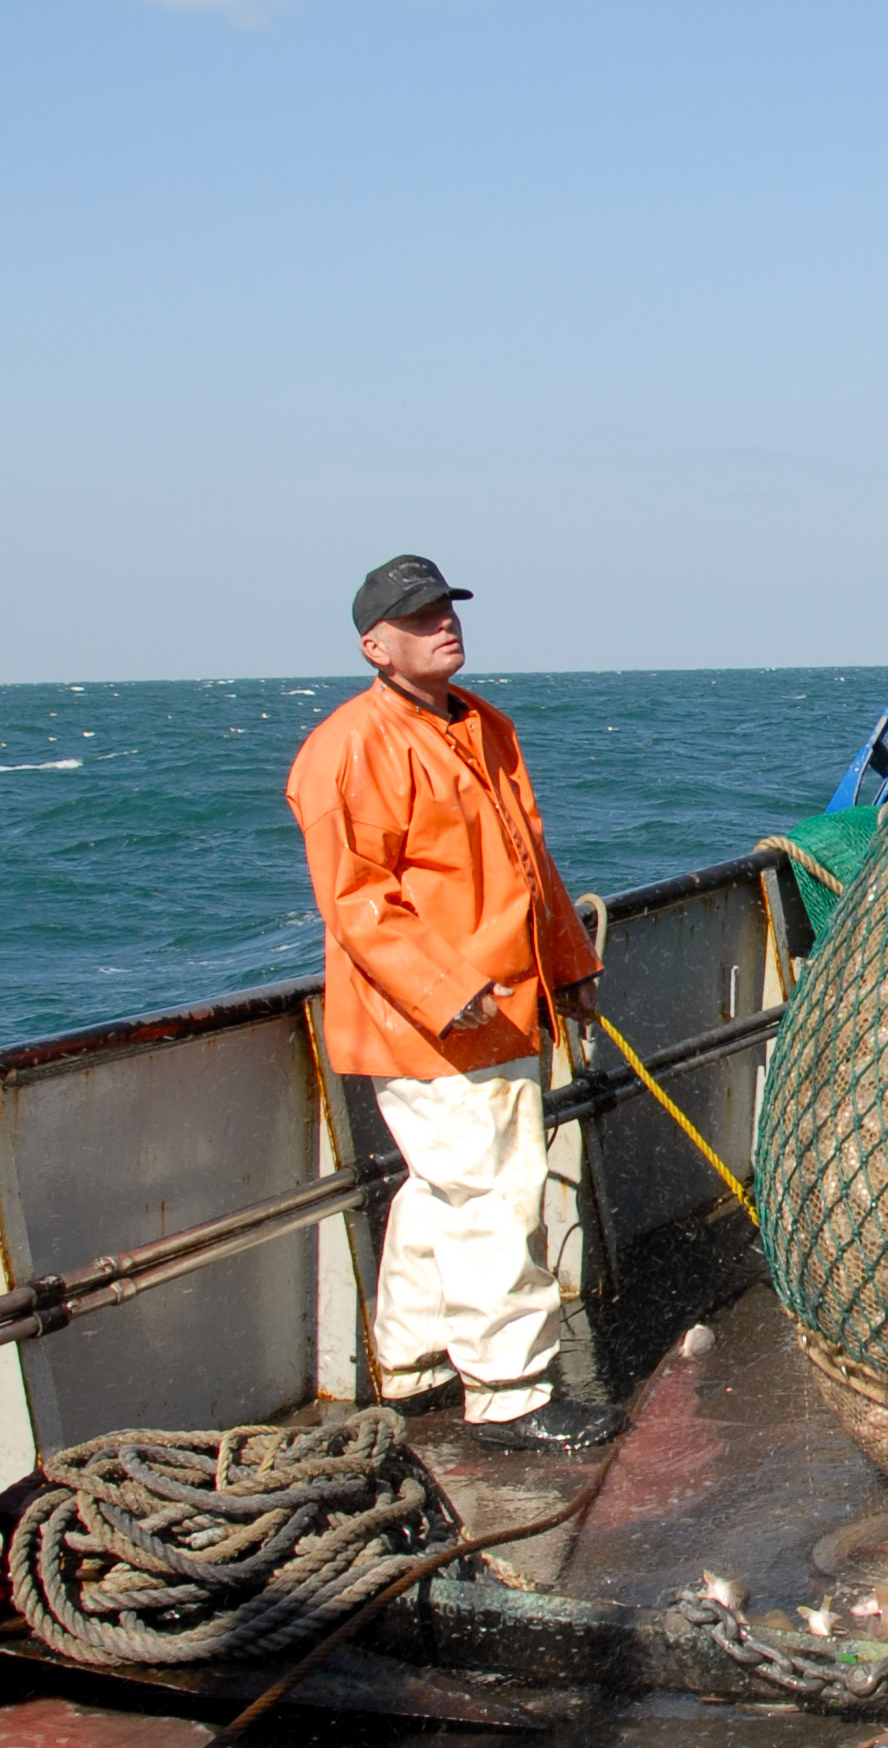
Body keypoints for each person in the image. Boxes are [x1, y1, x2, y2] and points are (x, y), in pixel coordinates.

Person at [287, 554, 620, 1451]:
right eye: (419, 614)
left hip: (506, 1005)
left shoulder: (483, 728)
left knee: (445, 1193)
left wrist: (569, 965)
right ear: (373, 644)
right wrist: (449, 987)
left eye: (445, 607)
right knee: (493, 1194)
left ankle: (416, 1370)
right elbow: (357, 899)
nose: (443, 622)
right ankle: (512, 1394)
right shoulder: (349, 748)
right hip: (435, 1025)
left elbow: (529, 868)